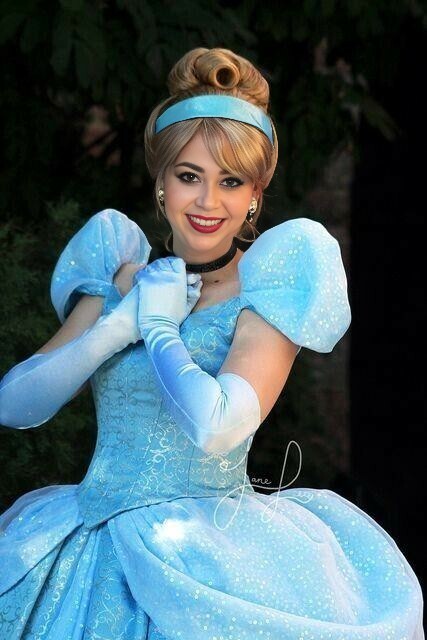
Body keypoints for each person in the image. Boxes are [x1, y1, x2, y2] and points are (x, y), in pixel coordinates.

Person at [0, 47, 423, 640]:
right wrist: (118, 327)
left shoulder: (264, 290)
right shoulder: (120, 277)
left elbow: (219, 427)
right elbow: (14, 404)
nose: (207, 202)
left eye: (230, 181)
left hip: (205, 560)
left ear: (255, 194)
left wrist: (159, 329)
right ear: (161, 182)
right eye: (188, 176)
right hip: (88, 547)